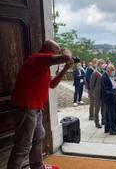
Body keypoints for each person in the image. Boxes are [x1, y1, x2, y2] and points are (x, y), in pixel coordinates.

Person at [8, 40, 73, 169]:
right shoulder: (39, 58)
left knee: (38, 136)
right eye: (57, 51)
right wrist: (66, 51)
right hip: (26, 107)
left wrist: (65, 69)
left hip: (35, 107)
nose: (57, 54)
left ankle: (38, 166)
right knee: (23, 145)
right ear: (51, 51)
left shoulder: (42, 65)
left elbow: (52, 85)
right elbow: (66, 56)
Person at [101, 65, 116, 135]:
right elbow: (106, 90)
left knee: (108, 113)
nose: (113, 72)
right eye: (112, 71)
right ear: (108, 70)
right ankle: (113, 130)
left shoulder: (109, 76)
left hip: (110, 97)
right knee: (112, 114)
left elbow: (111, 87)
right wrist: (114, 92)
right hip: (109, 98)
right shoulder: (104, 77)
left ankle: (107, 128)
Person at [90, 59, 106, 128]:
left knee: (104, 107)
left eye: (104, 64)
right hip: (97, 93)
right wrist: (93, 92)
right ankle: (96, 122)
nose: (103, 65)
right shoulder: (95, 73)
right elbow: (91, 84)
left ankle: (103, 120)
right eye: (102, 64)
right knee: (97, 108)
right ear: (99, 64)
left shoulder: (104, 72)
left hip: (103, 93)